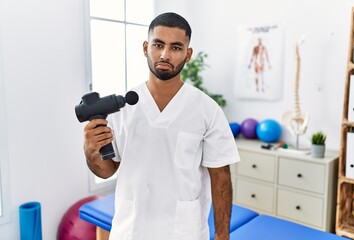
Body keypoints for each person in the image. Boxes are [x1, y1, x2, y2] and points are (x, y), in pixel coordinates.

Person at [83, 12, 240, 240]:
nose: (165, 54)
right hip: (130, 230)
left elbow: (221, 177)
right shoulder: (122, 107)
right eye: (158, 44)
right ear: (146, 47)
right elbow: (106, 171)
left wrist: (222, 236)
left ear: (187, 55)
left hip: (184, 231)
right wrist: (90, 151)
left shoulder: (207, 110)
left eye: (176, 47)